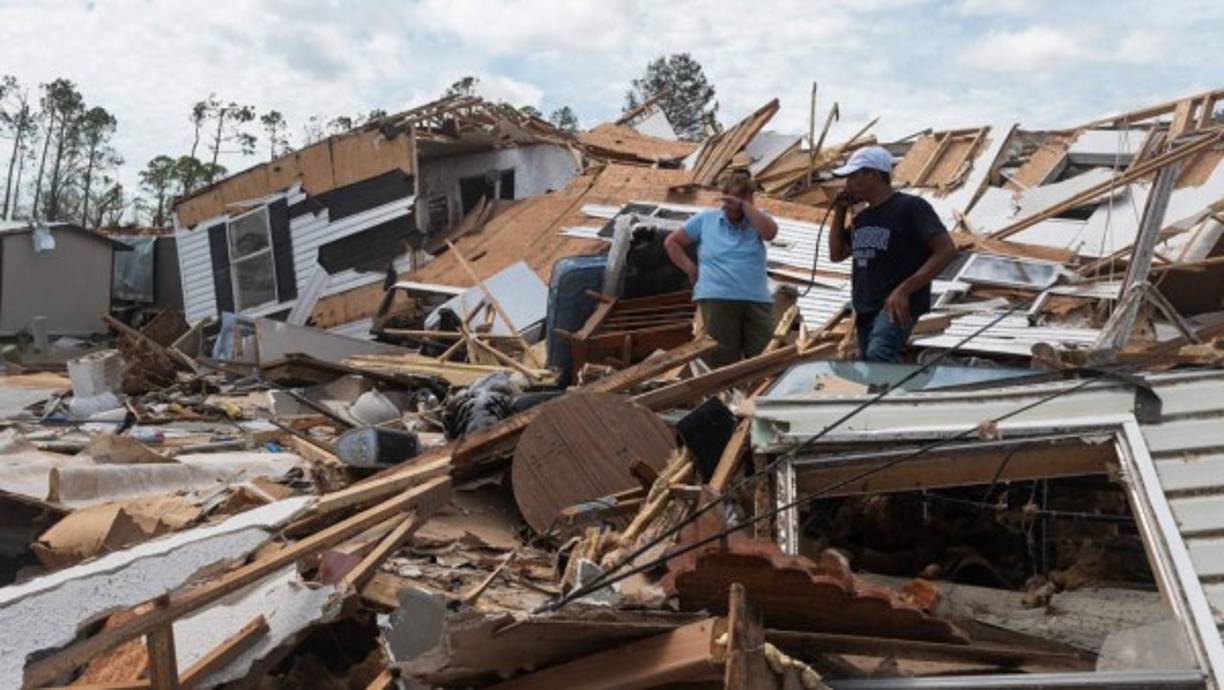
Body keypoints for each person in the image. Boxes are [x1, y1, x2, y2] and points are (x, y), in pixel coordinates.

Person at [828, 146, 957, 362]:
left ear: (873, 174)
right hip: (866, 306)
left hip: (896, 304)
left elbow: (947, 251)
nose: (848, 184)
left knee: (880, 353)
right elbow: (837, 253)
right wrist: (839, 211)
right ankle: (888, 395)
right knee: (871, 364)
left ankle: (899, 394)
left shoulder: (910, 207)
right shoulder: (863, 218)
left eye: (853, 176)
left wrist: (905, 289)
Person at [664, 171, 779, 367]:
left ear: (749, 199)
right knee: (721, 358)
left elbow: (770, 233)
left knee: (765, 357)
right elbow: (672, 242)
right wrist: (691, 269)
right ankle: (722, 396)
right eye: (726, 200)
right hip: (718, 297)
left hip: (756, 298)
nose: (728, 206)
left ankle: (755, 394)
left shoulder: (757, 220)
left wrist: (744, 206)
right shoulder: (707, 219)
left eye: (735, 200)